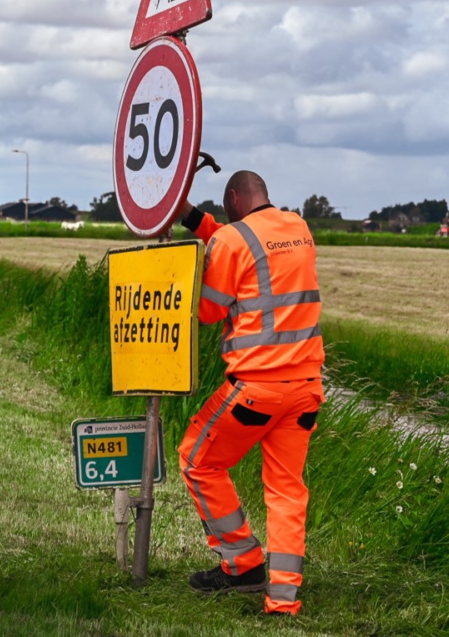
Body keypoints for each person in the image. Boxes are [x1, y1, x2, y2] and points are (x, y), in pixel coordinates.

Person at [177, 170, 325, 617]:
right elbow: (244, 243)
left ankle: (242, 564)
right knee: (287, 493)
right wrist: (191, 217)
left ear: (234, 199)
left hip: (256, 391)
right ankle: (282, 601)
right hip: (306, 391)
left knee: (197, 460)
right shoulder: (298, 227)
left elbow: (208, 311)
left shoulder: (230, 240)